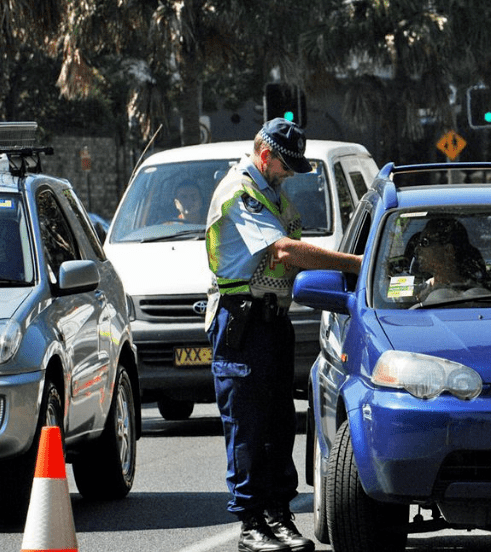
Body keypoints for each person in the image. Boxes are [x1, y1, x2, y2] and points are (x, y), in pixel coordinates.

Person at [204, 118, 361, 552]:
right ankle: (251, 523)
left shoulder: (271, 192)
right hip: (243, 321)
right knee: (247, 425)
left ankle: (277, 514)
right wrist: (356, 264)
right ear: (265, 154)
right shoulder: (241, 191)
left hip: (273, 321)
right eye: (285, 166)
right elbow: (285, 250)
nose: (289, 175)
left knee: (278, 424)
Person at [414, 217, 490, 304]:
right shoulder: (418, 290)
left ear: (448, 250)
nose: (417, 249)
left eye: (425, 242)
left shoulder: (480, 296)